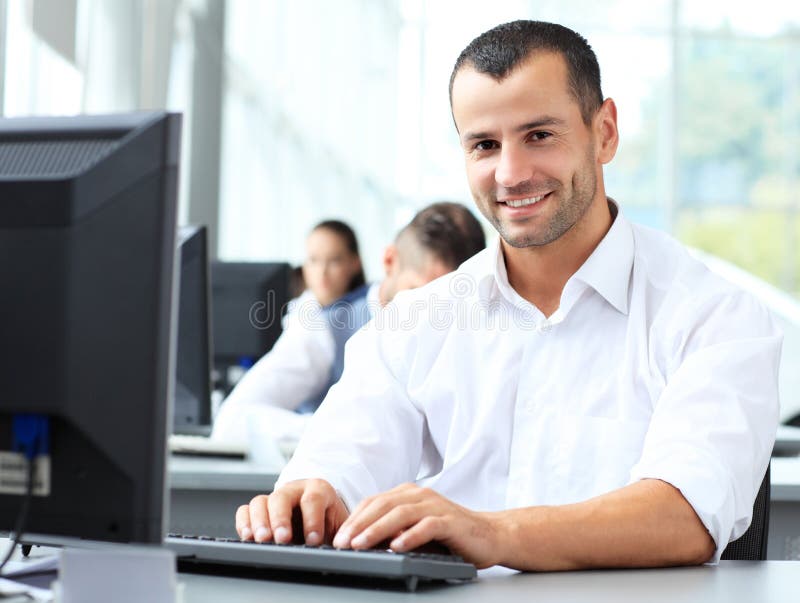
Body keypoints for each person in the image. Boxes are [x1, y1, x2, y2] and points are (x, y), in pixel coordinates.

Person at [234, 21, 781, 572]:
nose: (511, 174)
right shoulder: (412, 324)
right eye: (485, 145)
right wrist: (307, 500)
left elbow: (684, 518)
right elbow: (337, 464)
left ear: (605, 132)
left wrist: (487, 531)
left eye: (539, 135)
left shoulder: (716, 317)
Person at [212, 202, 486, 438]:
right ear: (390, 261)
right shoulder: (322, 329)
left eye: (448, 305)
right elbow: (233, 422)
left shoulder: (472, 334)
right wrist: (345, 430)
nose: (432, 317)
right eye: (418, 294)